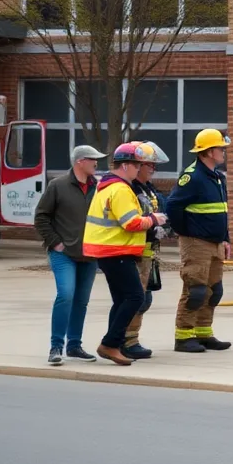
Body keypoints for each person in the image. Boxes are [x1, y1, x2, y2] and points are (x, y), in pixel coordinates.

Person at [82, 143, 165, 366]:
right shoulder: (120, 189)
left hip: (109, 250)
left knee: (121, 299)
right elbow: (131, 223)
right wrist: (155, 219)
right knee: (135, 297)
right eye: (138, 165)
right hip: (115, 249)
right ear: (126, 165)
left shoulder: (109, 186)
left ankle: (114, 344)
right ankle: (110, 343)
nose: (140, 169)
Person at [34, 144, 106, 366]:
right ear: (80, 162)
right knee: (66, 294)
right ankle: (56, 346)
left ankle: (74, 345)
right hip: (63, 253)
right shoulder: (58, 186)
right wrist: (55, 243)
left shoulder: (99, 187)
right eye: (93, 159)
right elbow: (41, 217)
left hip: (89, 254)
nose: (97, 163)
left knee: (81, 301)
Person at [166, 128, 233, 354]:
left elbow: (221, 212)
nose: (223, 152)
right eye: (220, 148)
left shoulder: (217, 177)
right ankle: (184, 336)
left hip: (216, 243)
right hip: (196, 243)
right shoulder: (192, 177)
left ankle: (204, 333)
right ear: (208, 152)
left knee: (215, 291)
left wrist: (225, 239)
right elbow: (173, 206)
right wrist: (186, 232)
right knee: (195, 290)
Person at [122, 141, 172, 360]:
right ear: (136, 165)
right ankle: (126, 341)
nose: (152, 169)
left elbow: (163, 210)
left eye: (154, 165)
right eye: (148, 165)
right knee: (135, 298)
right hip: (134, 252)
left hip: (149, 252)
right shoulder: (129, 189)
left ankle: (131, 339)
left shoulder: (148, 189)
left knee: (145, 299)